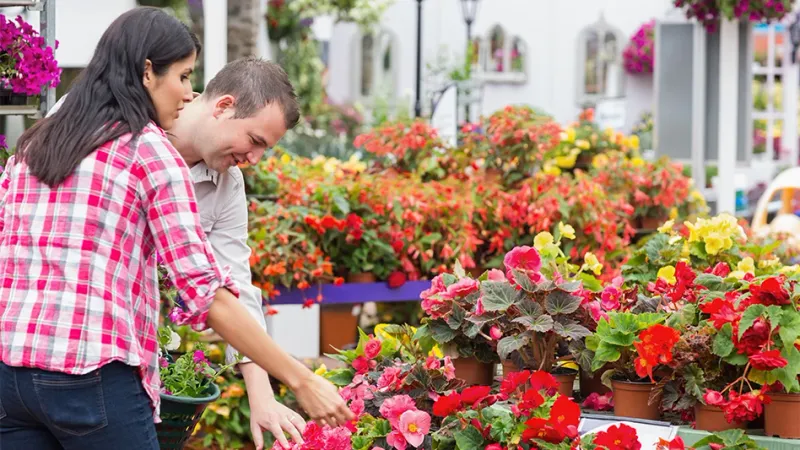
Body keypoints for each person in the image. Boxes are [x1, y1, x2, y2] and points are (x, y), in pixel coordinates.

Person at [0, 8, 350, 450]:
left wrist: (261, 392)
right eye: (184, 76)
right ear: (148, 72)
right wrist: (301, 379)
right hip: (92, 372)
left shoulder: (46, 135)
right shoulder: (150, 149)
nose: (188, 92)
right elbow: (206, 292)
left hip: (12, 370)